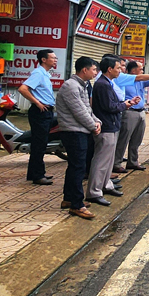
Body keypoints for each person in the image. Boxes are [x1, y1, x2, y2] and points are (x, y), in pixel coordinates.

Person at [87, 57, 142, 206]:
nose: (121, 70)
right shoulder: (102, 85)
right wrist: (125, 105)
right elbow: (109, 107)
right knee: (101, 161)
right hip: (106, 126)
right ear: (110, 69)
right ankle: (94, 191)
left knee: (108, 160)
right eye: (118, 68)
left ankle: (106, 185)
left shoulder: (108, 83)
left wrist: (127, 103)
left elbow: (113, 104)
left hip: (112, 125)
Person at [55, 57, 101, 220]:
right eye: (94, 69)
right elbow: (79, 111)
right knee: (78, 168)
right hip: (73, 132)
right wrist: (92, 126)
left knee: (76, 166)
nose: (95, 73)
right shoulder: (71, 86)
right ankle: (76, 205)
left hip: (81, 130)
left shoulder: (82, 85)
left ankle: (69, 199)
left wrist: (96, 121)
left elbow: (87, 108)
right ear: (84, 70)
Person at [114, 60, 149, 172]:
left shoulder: (141, 81)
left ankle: (133, 162)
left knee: (137, 139)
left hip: (140, 111)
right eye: (141, 69)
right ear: (133, 70)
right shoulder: (125, 79)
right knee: (124, 139)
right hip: (129, 112)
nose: (142, 71)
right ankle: (116, 163)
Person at [17, 49, 58, 185]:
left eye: (56, 58)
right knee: (39, 145)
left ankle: (38, 172)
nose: (55, 60)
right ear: (43, 60)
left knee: (41, 143)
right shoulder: (38, 73)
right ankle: (37, 176)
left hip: (46, 111)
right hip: (40, 112)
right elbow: (23, 89)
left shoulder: (45, 74)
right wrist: (38, 103)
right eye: (52, 58)